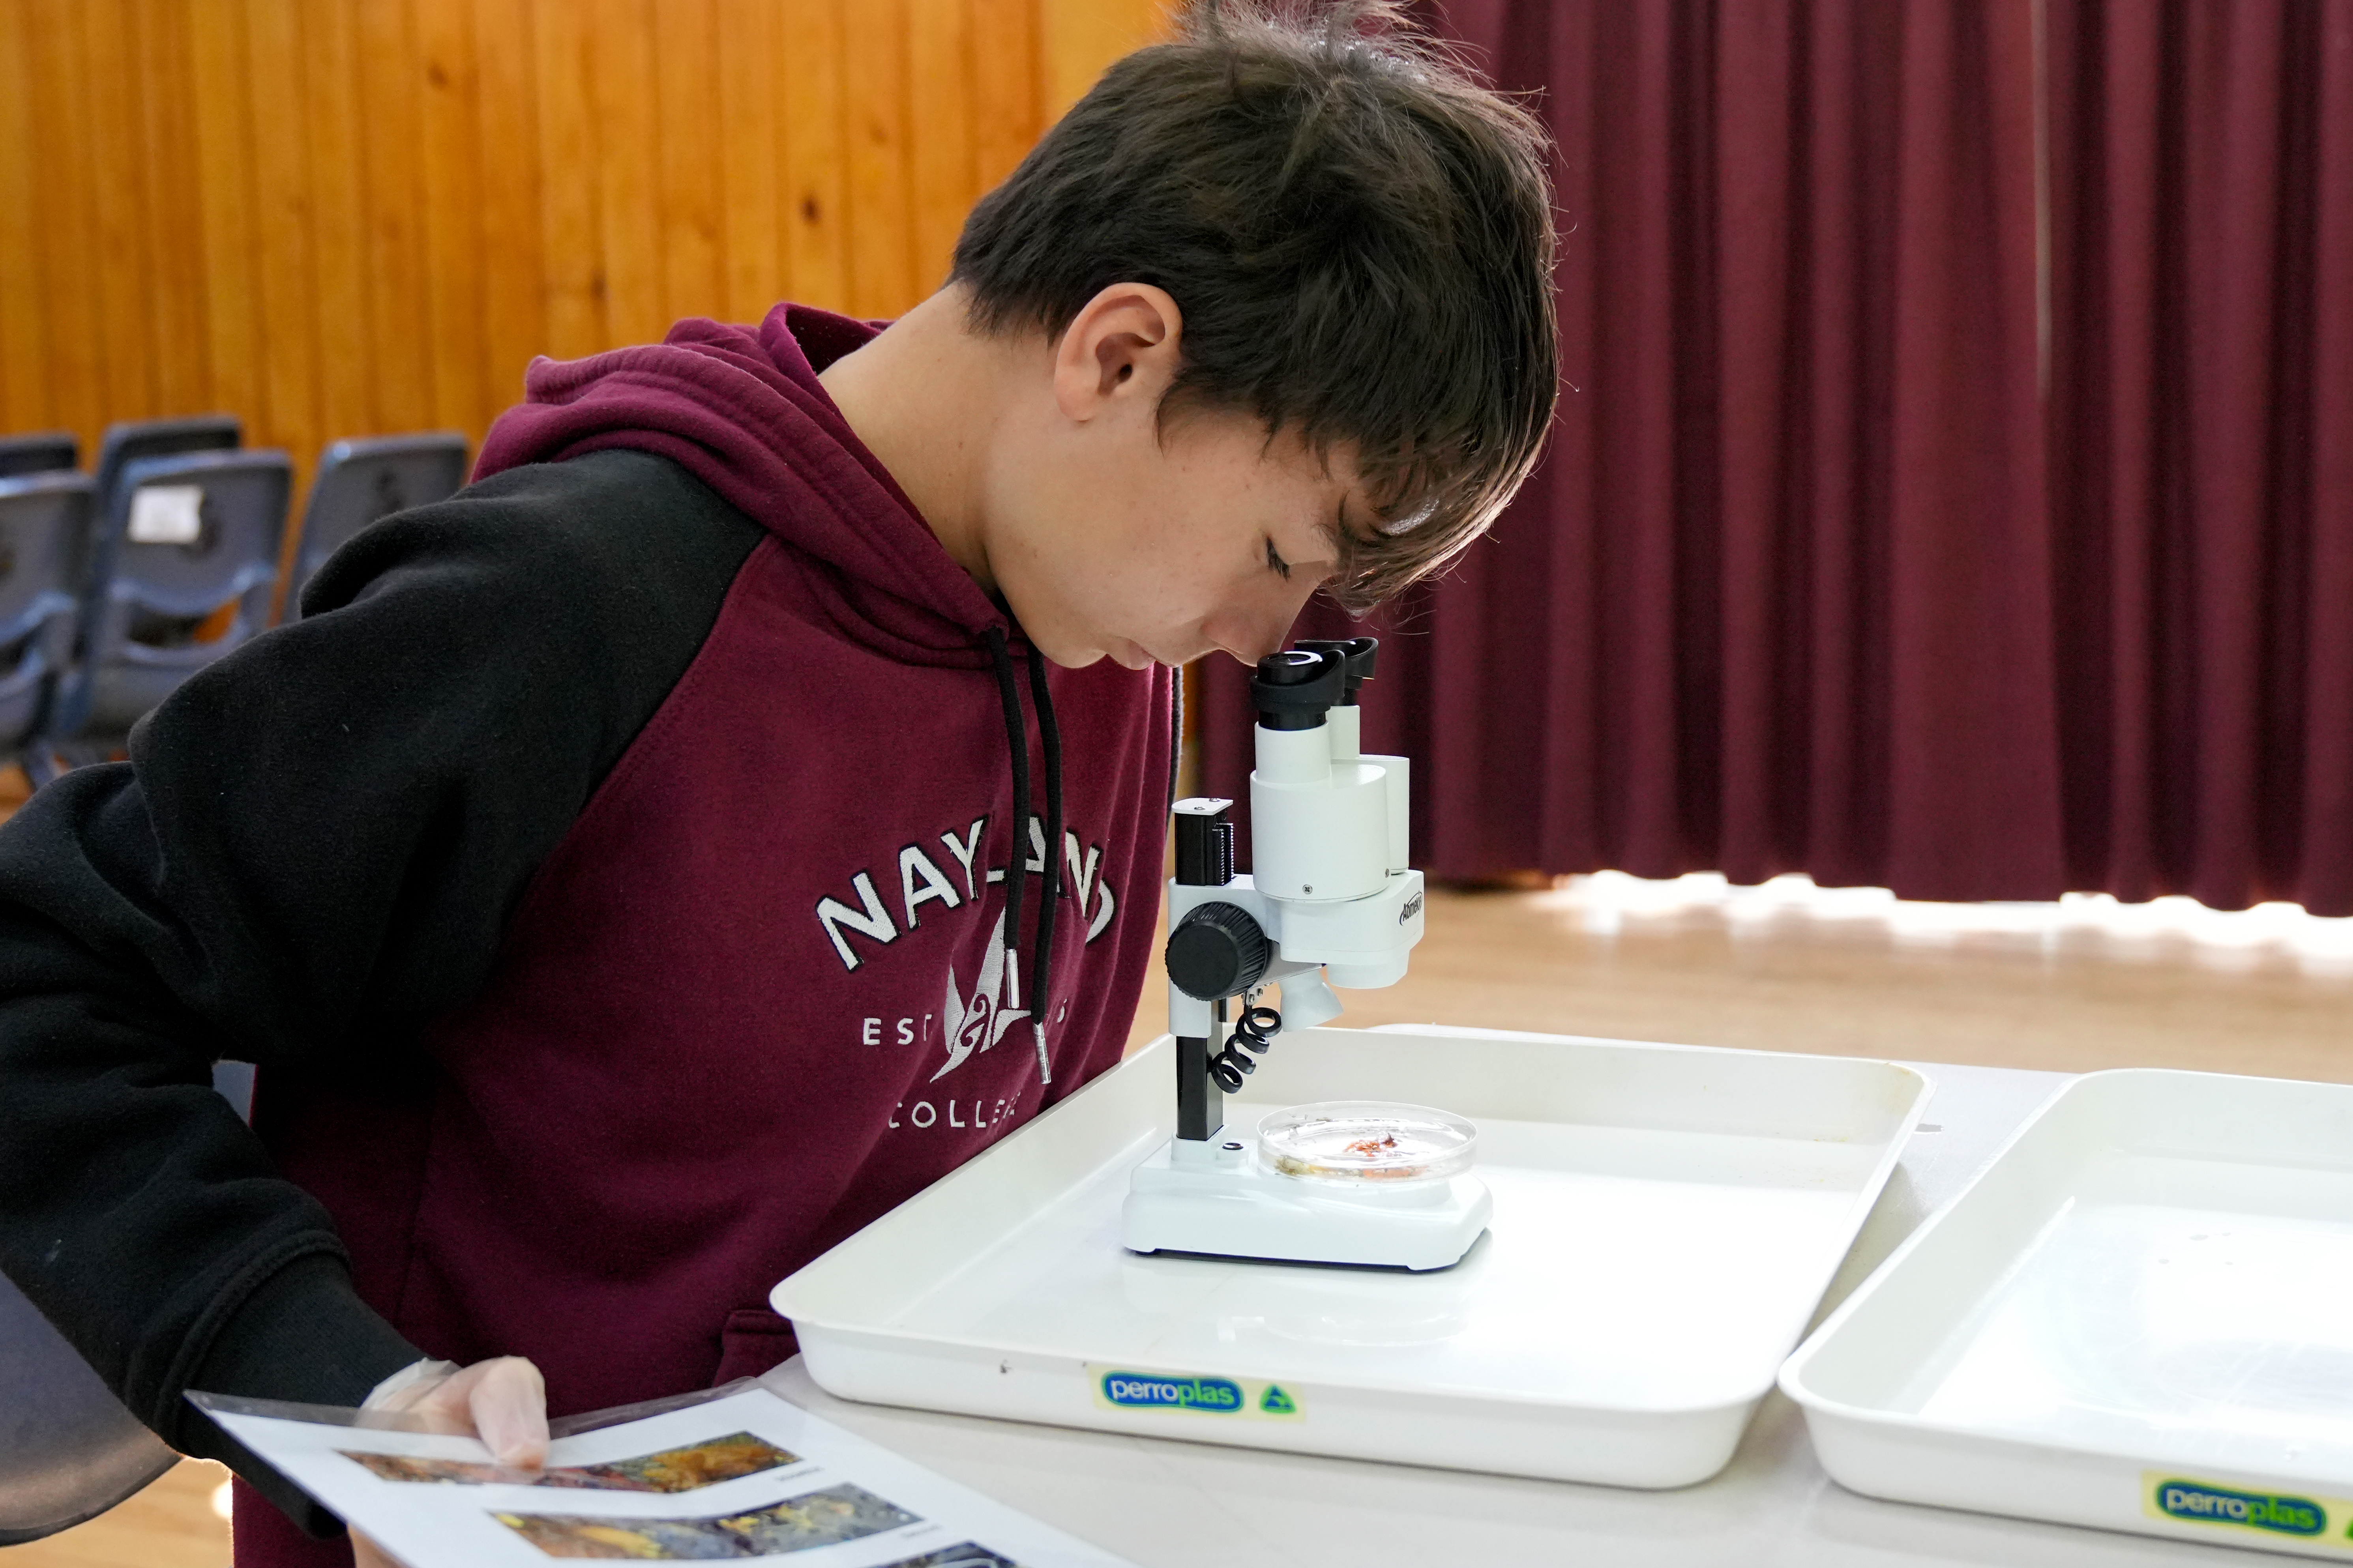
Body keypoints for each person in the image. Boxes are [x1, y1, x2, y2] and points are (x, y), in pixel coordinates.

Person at [0, 3, 1555, 1563]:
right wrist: (346, 1383)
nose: (1251, 637)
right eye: (1278, 558)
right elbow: (43, 980)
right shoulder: (568, 610)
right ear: (1120, 352)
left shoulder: (1092, 629)